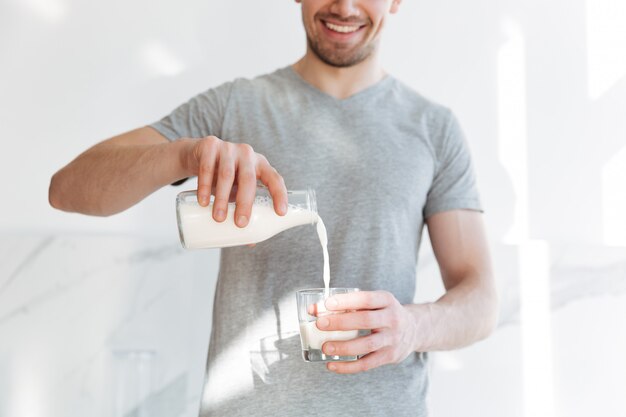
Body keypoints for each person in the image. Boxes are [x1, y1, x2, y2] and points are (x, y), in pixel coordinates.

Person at [49, 0, 499, 415]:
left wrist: (413, 328)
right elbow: (67, 189)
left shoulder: (433, 129)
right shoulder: (235, 108)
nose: (343, 7)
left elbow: (479, 299)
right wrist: (185, 155)